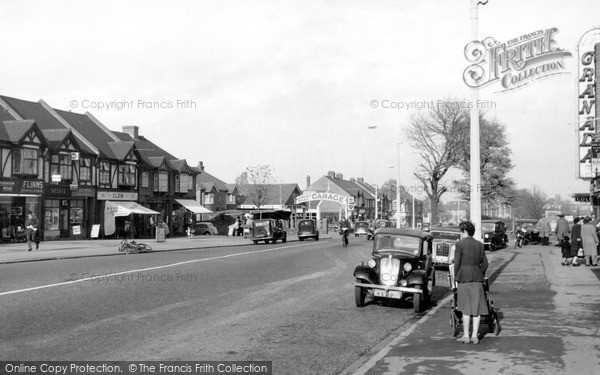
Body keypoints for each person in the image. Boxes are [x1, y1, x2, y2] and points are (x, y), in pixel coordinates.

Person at [453, 221, 489, 344]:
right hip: (477, 278)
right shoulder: (480, 245)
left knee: (466, 308)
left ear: (464, 231)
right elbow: (485, 264)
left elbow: (456, 263)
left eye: (461, 232)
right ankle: (475, 336)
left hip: (464, 279)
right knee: (476, 308)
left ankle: (466, 336)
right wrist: (479, 272)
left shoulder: (459, 244)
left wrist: (456, 278)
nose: (461, 234)